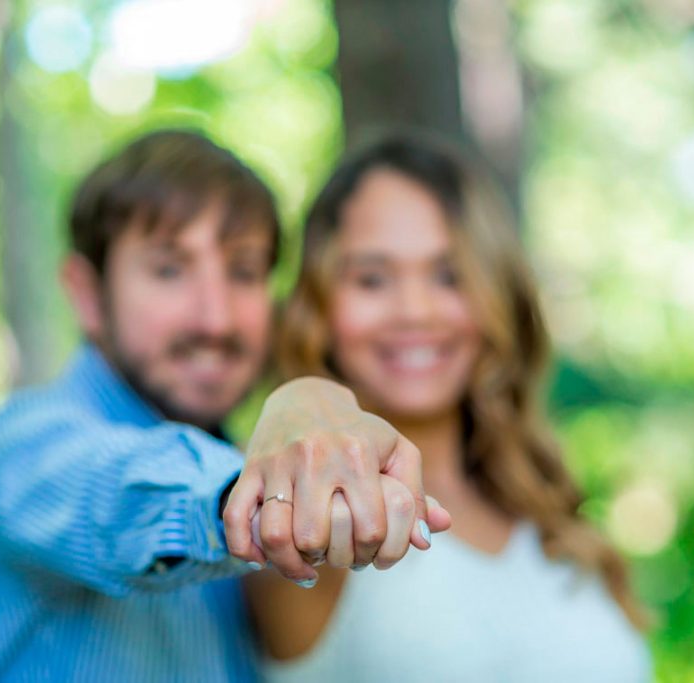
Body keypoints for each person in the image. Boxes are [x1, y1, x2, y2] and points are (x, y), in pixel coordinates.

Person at [0, 129, 446, 682]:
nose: (215, 319)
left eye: (244, 271)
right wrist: (262, 490)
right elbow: (116, 492)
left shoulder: (243, 464)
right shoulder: (24, 445)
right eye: (169, 269)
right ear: (87, 294)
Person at [247, 131, 653, 681]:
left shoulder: (551, 517)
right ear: (319, 305)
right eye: (372, 278)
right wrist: (304, 397)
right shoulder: (317, 518)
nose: (415, 311)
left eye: (449, 276)